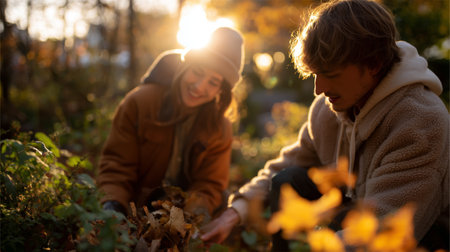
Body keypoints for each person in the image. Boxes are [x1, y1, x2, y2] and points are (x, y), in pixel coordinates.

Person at [200, 0, 449, 251]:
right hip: (354, 213)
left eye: (331, 74)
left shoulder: (420, 121)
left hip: (418, 236)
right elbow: (289, 164)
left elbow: (384, 229)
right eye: (316, 74)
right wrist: (234, 213)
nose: (319, 89)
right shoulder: (329, 106)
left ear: (373, 64)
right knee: (287, 180)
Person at [96, 27, 245, 217]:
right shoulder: (140, 103)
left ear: (220, 92)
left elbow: (210, 184)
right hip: (132, 211)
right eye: (197, 72)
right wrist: (114, 206)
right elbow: (116, 165)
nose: (199, 87)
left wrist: (183, 219)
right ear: (185, 67)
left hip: (181, 218)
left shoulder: (220, 127)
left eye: (213, 82)